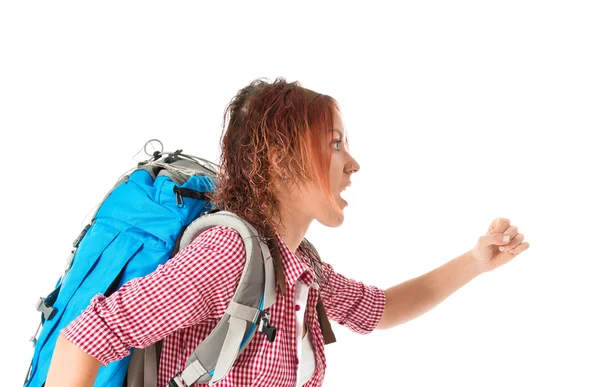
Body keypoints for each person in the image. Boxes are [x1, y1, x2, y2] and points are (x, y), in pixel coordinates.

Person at [45, 77, 530, 387]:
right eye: (335, 145)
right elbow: (87, 335)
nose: (353, 164)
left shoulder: (299, 267)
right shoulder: (228, 256)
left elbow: (381, 308)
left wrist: (475, 262)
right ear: (278, 160)